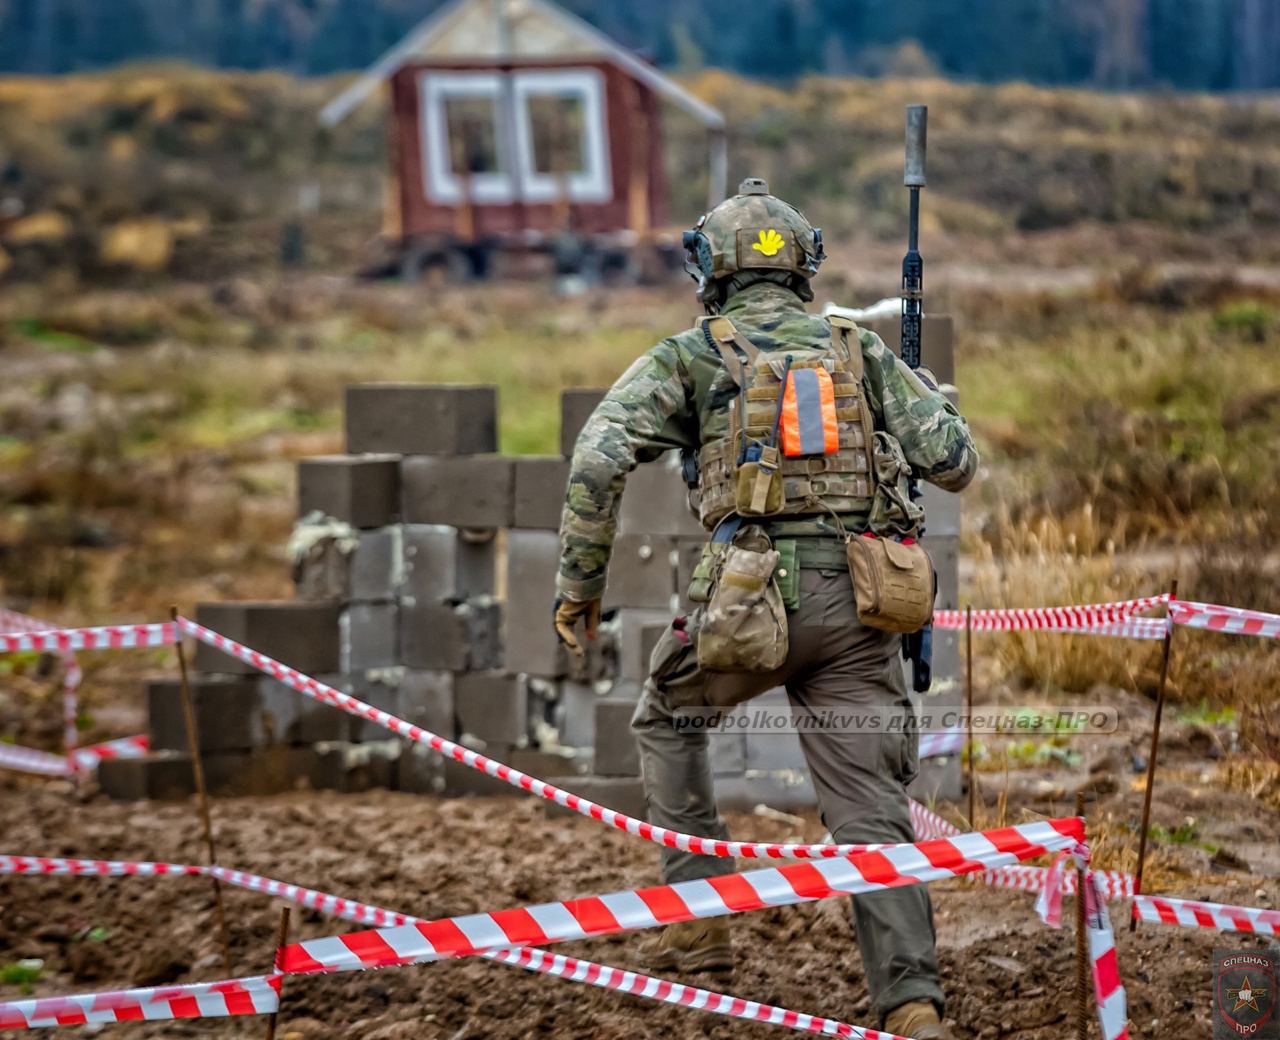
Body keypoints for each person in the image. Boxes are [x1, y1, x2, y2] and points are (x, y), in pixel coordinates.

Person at [553, 178, 978, 1040]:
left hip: (746, 607)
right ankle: (912, 1002)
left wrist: (579, 590)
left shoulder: (690, 357)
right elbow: (955, 464)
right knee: (870, 814)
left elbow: (598, 459)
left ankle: (700, 927)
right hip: (864, 607)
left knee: (667, 719)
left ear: (708, 270)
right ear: (804, 267)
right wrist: (930, 401)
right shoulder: (860, 352)